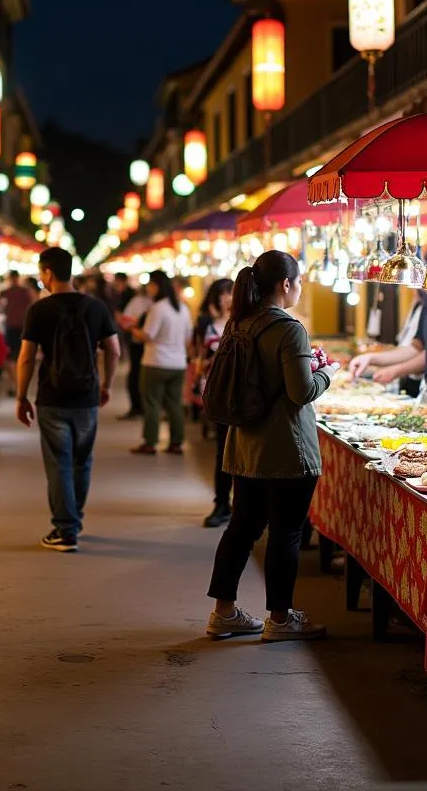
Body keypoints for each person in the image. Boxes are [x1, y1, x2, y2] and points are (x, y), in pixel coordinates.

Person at [205, 251, 339, 642]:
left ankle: (223, 613)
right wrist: (327, 373)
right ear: (285, 284)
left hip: (245, 446)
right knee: (286, 534)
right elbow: (301, 392)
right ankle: (280, 619)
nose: (299, 288)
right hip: (285, 449)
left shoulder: (239, 323)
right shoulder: (289, 329)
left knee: (242, 528)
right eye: (299, 282)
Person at [16, 247, 120, 552]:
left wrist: (22, 396)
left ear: (47, 273)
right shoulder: (96, 307)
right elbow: (113, 350)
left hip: (52, 396)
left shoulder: (39, 310)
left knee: (59, 462)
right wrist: (107, 385)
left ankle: (64, 529)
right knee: (82, 461)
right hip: (87, 395)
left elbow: (25, 358)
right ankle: (74, 519)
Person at [131, 270, 192, 455]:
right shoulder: (183, 308)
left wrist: (133, 329)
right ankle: (176, 442)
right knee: (174, 404)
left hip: (155, 362)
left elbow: (148, 335)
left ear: (156, 285)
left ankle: (150, 443)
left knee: (152, 403)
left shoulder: (158, 308)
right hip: (178, 364)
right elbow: (188, 338)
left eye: (150, 284)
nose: (148, 288)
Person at [193, 278, 234, 528]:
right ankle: (221, 503)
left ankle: (240, 505)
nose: (229, 297)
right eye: (225, 293)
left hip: (241, 393)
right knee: (224, 449)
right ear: (216, 297)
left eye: (233, 292)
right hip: (218, 392)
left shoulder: (242, 322)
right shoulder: (206, 325)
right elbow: (198, 360)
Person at [112, 272, 149, 420]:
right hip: (145, 346)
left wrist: (132, 327)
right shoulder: (153, 302)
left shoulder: (137, 300)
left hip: (140, 343)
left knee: (135, 374)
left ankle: (138, 407)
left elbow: (125, 320)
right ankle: (141, 407)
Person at [0, 271, 35, 396]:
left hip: (13, 326)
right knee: (18, 357)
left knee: (12, 358)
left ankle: (16, 384)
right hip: (21, 326)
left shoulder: (6, 292)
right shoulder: (24, 292)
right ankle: (18, 384)